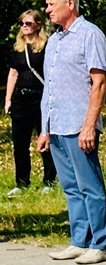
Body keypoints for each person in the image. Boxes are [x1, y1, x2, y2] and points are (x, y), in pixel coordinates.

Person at [37, 0, 106, 265]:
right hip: (57, 125)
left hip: (80, 125)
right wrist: (44, 128)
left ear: (70, 4)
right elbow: (50, 87)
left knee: (90, 185)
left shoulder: (90, 35)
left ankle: (100, 242)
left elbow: (99, 83)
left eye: (51, 4)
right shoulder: (55, 40)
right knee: (70, 186)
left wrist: (89, 125)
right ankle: (79, 240)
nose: (47, 10)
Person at [4, 10, 57, 197]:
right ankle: (21, 182)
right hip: (21, 99)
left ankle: (49, 181)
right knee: (20, 142)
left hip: (41, 98)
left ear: (38, 25)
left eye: (28, 23)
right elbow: (13, 73)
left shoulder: (46, 46)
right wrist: (8, 99)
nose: (24, 26)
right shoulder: (18, 47)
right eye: (22, 23)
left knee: (45, 140)